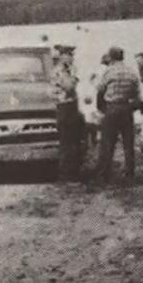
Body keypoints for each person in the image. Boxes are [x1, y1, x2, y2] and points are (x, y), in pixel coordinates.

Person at [94, 46, 141, 185]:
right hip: (126, 108)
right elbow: (137, 93)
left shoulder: (109, 71)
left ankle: (103, 175)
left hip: (112, 108)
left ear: (111, 57)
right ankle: (130, 174)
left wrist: (101, 107)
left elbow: (100, 90)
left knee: (107, 143)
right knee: (128, 144)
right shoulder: (131, 72)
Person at [52, 44, 83, 182]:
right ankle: (65, 173)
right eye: (69, 55)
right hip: (63, 106)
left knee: (74, 140)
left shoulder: (70, 70)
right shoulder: (59, 71)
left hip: (71, 106)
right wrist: (70, 73)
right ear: (62, 56)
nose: (72, 58)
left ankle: (73, 171)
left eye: (71, 55)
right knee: (65, 141)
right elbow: (69, 86)